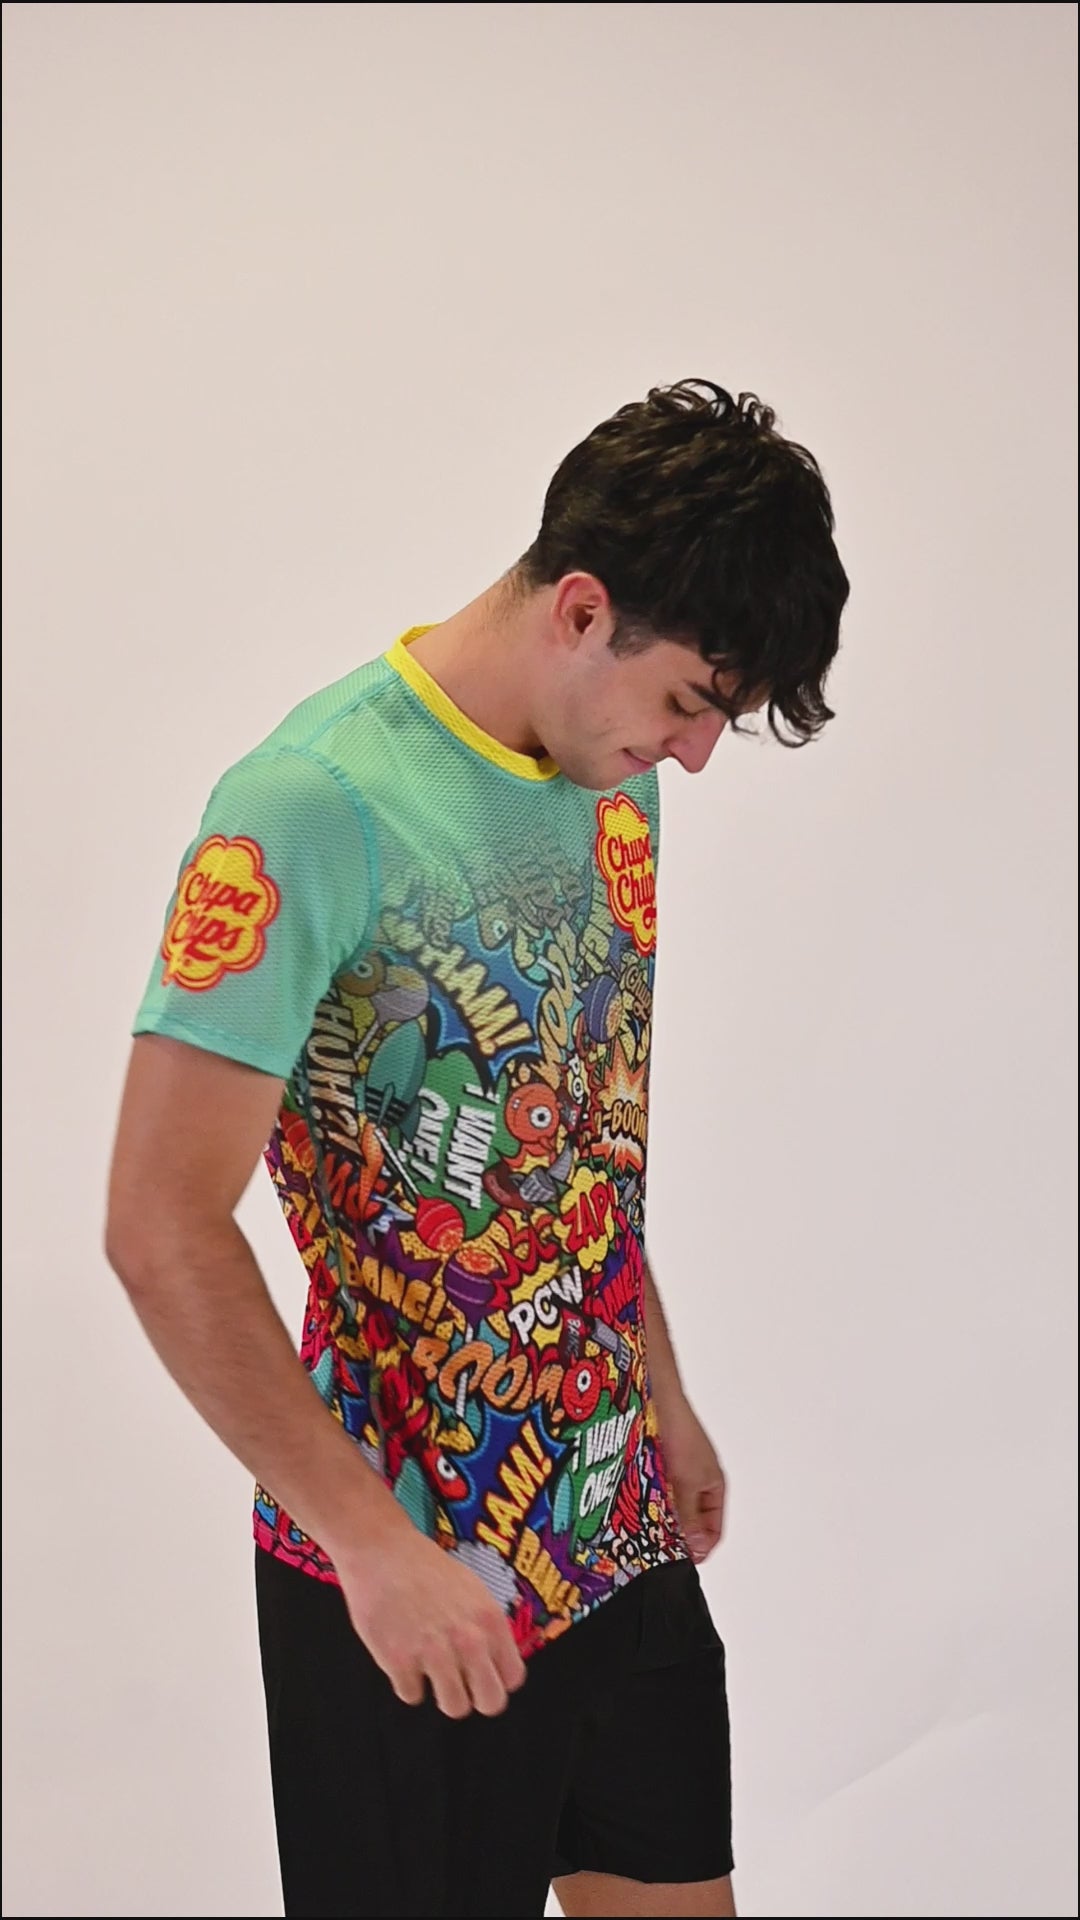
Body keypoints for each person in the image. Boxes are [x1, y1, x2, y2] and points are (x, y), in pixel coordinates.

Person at [106, 378, 849, 1919]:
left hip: (616, 1524)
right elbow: (159, 1225)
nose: (694, 756)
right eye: (691, 703)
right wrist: (373, 1550)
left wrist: (659, 1392)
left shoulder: (610, 785)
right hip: (419, 1581)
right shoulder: (309, 808)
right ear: (582, 610)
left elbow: (572, 1139)